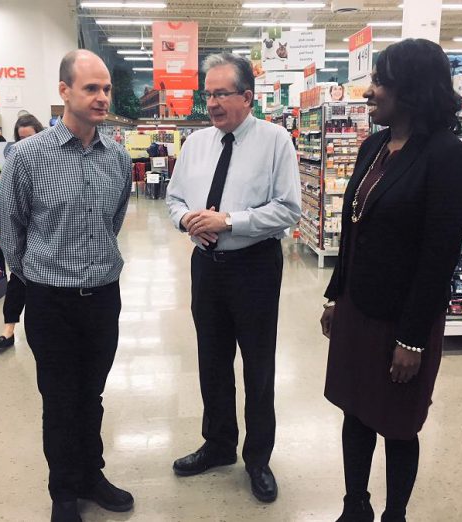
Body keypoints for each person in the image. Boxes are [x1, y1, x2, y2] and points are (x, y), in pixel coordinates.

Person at [319, 39, 462, 522]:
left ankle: (395, 515)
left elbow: (438, 256)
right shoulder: (372, 145)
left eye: (381, 81)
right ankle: (354, 506)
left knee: (399, 425)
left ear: (412, 88)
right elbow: (354, 227)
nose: (370, 92)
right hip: (357, 306)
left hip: (402, 319)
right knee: (355, 410)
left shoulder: (447, 155)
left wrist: (411, 338)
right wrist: (334, 294)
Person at [0, 50, 133, 522]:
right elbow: (11, 227)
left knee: (91, 394)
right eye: (91, 88)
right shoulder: (27, 156)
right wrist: (39, 274)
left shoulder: (117, 156)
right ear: (64, 92)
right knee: (59, 398)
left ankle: (91, 475)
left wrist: (90, 261)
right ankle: (63, 491)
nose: (101, 97)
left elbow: (112, 219)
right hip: (50, 301)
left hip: (102, 297)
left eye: (106, 89)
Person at [166, 53, 301, 504]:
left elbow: (287, 208)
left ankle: (258, 458)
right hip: (207, 268)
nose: (213, 103)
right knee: (212, 360)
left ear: (247, 97)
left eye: (222, 93)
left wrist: (229, 222)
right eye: (208, 94)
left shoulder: (275, 140)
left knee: (258, 366)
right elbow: (174, 198)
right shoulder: (197, 144)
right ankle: (218, 444)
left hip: (255, 267)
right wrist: (187, 219)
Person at [0, 114, 44, 349]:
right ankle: (8, 330)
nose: (23, 144)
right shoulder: (14, 160)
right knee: (17, 281)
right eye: (19, 139)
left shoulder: (49, 161)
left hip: (44, 238)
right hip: (24, 235)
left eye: (28, 138)